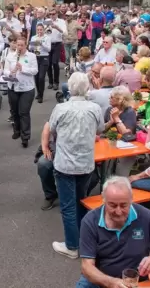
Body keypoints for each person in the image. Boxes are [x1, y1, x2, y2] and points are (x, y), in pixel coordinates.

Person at [43, 72, 104, 259]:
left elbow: (51, 128)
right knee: (82, 201)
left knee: (69, 206)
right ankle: (84, 242)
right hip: (85, 163)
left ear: (69, 88)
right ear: (87, 88)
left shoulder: (61, 109)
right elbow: (100, 129)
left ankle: (72, 246)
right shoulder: (94, 108)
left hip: (65, 164)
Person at [77, 177, 150, 287]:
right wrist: (112, 283)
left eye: (124, 205)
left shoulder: (145, 216)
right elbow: (87, 267)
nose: (118, 212)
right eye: (113, 205)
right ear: (103, 199)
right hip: (99, 280)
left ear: (131, 199)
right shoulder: (90, 221)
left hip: (133, 282)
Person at [4, 37, 38, 147]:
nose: (19, 47)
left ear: (26, 45)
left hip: (27, 89)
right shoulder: (10, 56)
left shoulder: (31, 56)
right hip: (13, 87)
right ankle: (17, 130)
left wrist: (22, 68)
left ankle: (25, 136)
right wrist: (10, 72)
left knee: (24, 112)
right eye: (17, 45)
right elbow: (5, 70)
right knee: (15, 112)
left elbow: (35, 71)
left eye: (21, 45)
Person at [45, 8, 67, 90]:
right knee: (48, 64)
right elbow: (42, 32)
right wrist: (46, 27)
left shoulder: (61, 21)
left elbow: (64, 32)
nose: (52, 15)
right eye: (50, 14)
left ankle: (56, 82)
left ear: (57, 14)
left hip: (57, 44)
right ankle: (50, 82)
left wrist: (57, 27)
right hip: (48, 44)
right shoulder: (47, 21)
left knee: (55, 62)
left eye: (53, 14)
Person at [30, 23, 51, 103]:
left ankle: (41, 95)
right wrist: (34, 44)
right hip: (35, 57)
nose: (39, 31)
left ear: (43, 30)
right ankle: (39, 92)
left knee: (41, 77)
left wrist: (41, 43)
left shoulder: (47, 38)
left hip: (44, 57)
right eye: (38, 30)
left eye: (41, 30)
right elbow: (30, 48)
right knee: (36, 77)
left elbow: (48, 49)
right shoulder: (33, 37)